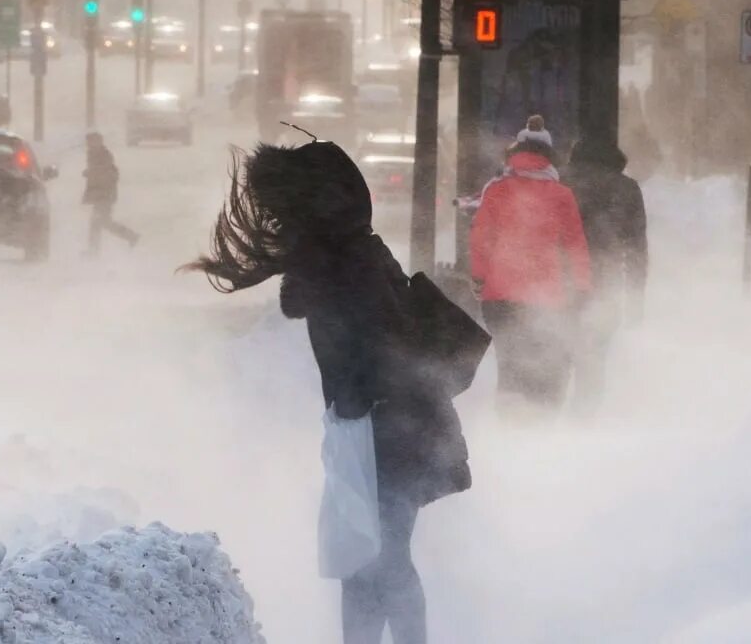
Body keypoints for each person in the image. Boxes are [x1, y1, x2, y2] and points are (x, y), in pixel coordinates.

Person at [188, 140, 479, 644]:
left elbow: (380, 347)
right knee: (365, 560)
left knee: (381, 559)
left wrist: (362, 409)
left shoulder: (343, 264)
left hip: (390, 431)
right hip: (377, 429)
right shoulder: (351, 254)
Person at [470, 132, 592, 416]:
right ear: (549, 160)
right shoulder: (561, 194)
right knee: (546, 359)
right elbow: (575, 244)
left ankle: (512, 428)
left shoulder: (497, 190)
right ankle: (542, 427)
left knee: (510, 362)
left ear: (514, 157)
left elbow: (481, 239)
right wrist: (582, 286)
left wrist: (479, 277)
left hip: (500, 297)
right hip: (547, 297)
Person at [564, 139, 649, 415]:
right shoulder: (626, 188)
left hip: (561, 283)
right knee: (593, 358)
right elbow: (636, 247)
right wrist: (635, 297)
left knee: (555, 351)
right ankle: (583, 421)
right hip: (604, 286)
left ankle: (546, 423)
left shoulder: (561, 183)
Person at [82, 132, 138, 255]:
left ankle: (94, 250)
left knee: (99, 222)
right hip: (100, 194)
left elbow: (105, 173)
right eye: (88, 142)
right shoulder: (93, 154)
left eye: (91, 141)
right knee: (102, 222)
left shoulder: (103, 155)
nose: (89, 144)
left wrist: (90, 173)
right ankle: (130, 236)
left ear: (99, 142)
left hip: (105, 195)